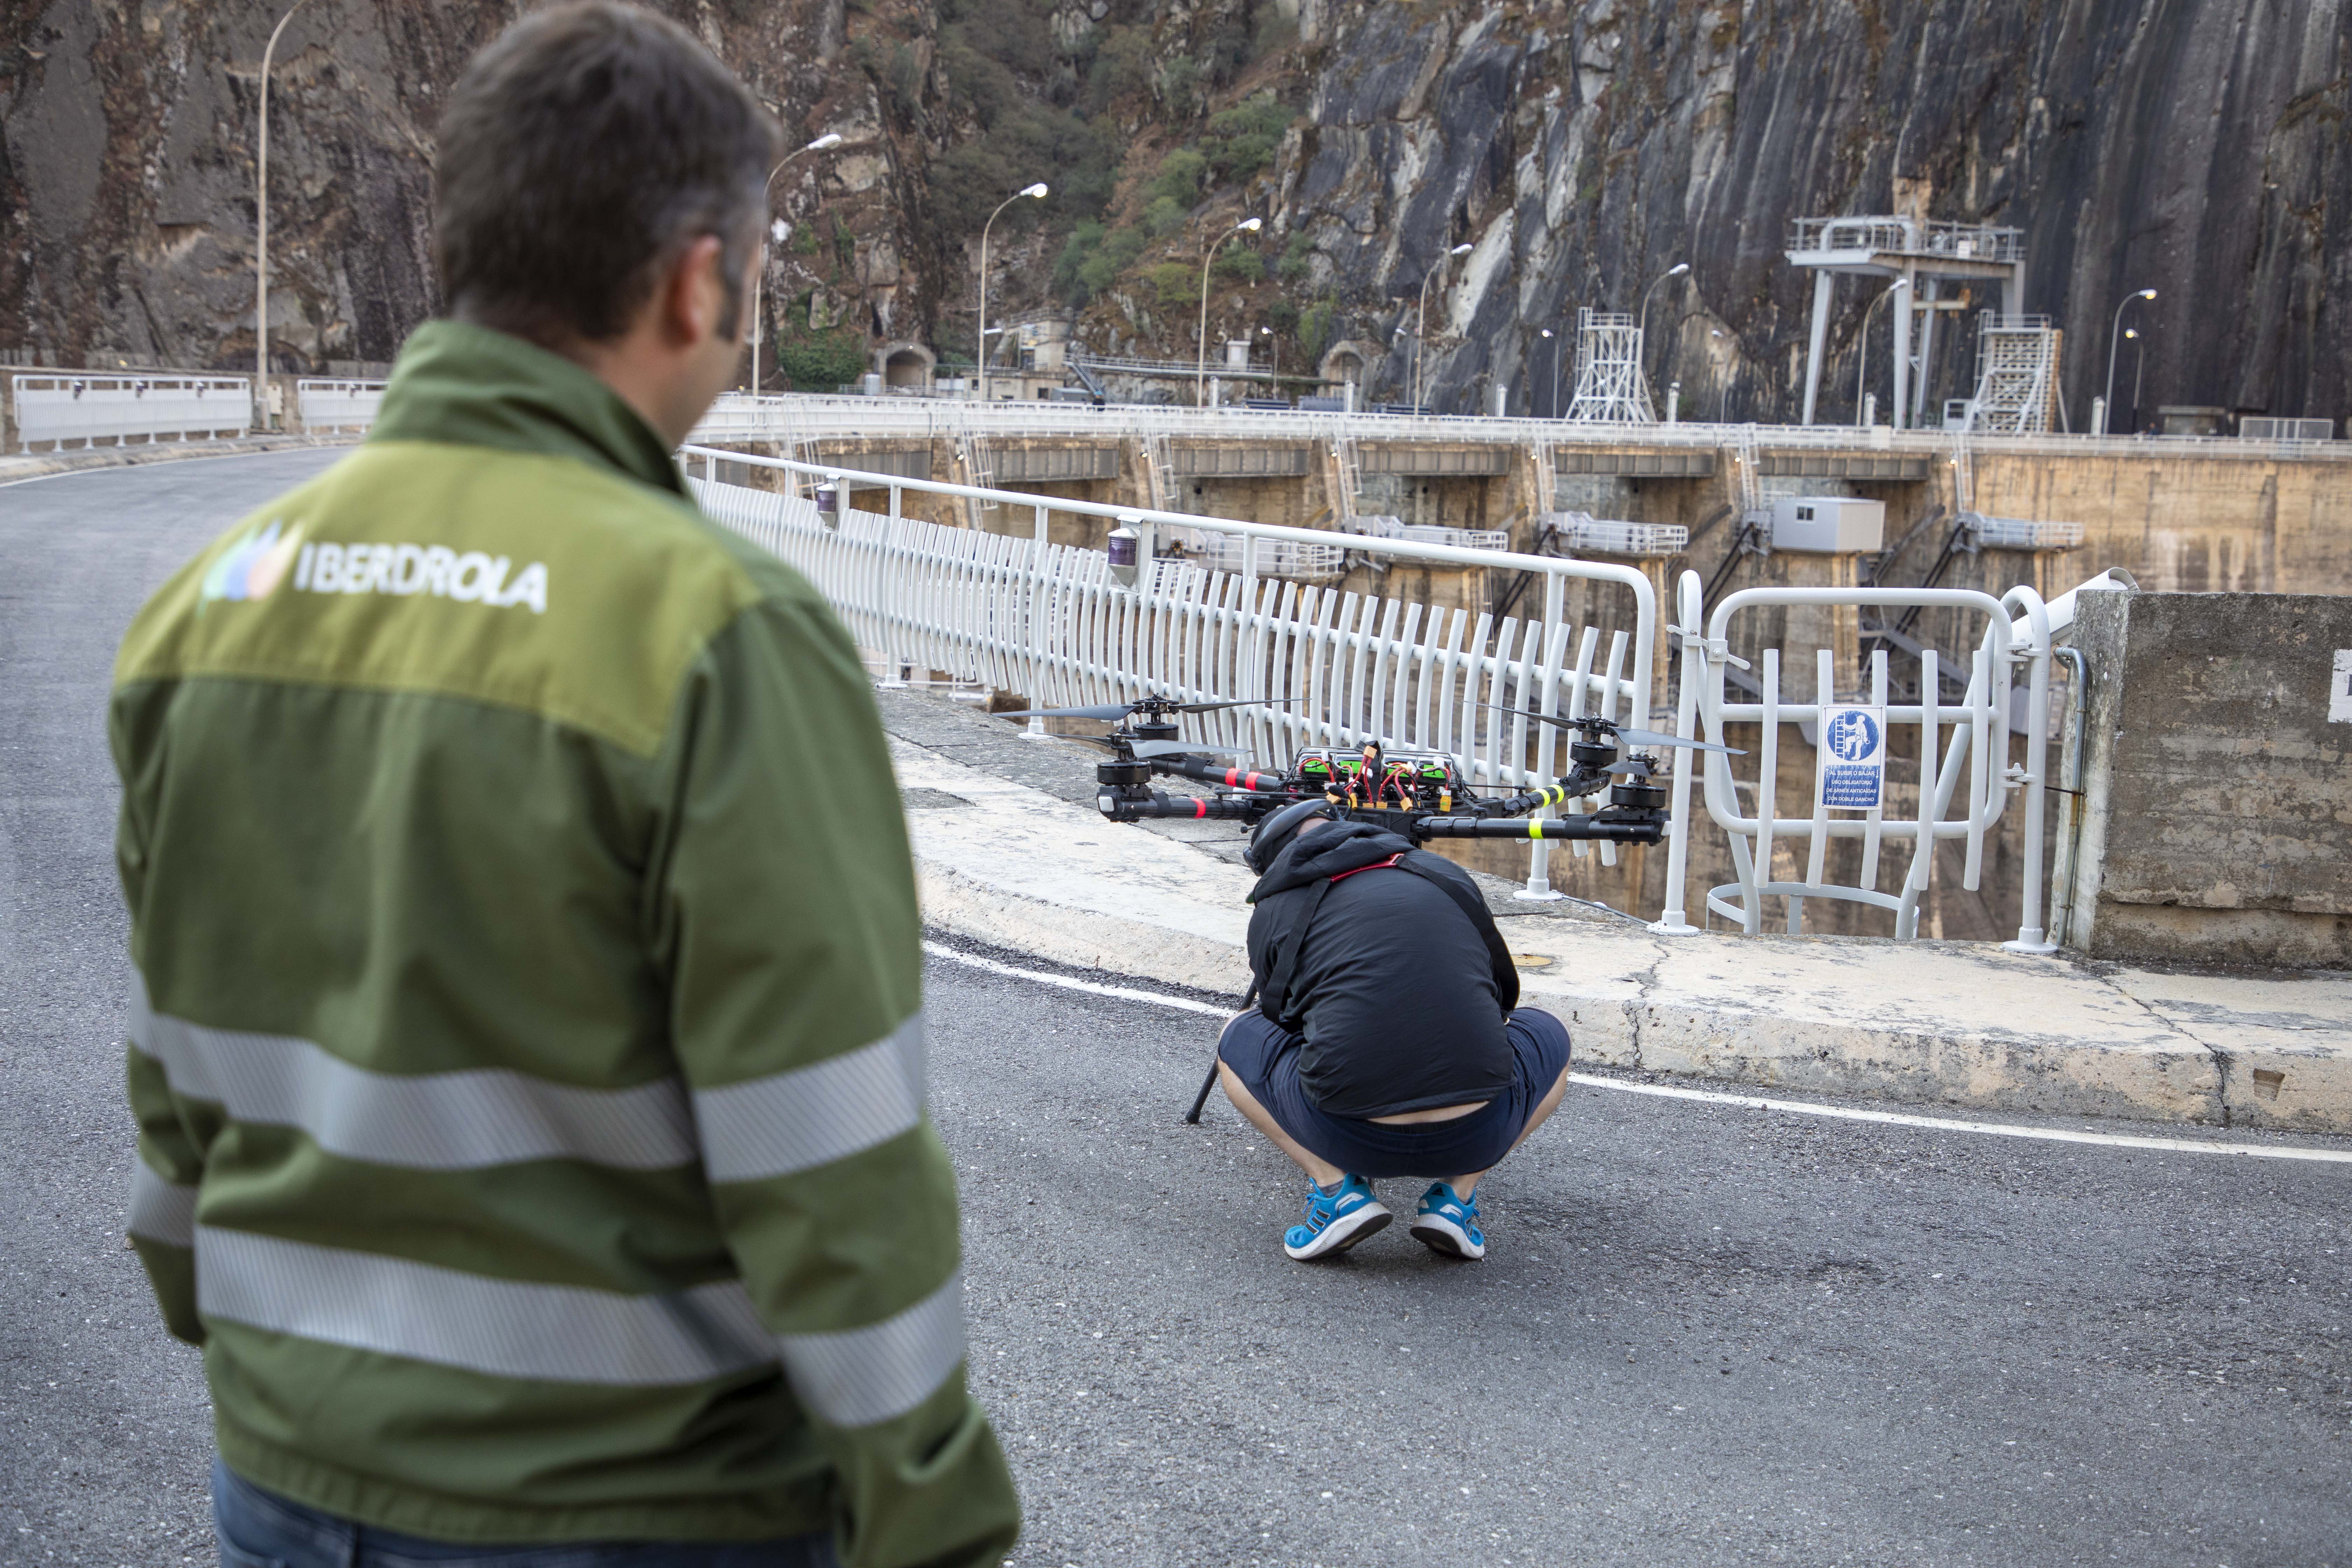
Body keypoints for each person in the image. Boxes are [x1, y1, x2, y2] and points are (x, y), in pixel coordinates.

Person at [109, 7, 1018, 1565]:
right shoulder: (716, 632)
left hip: (286, 1470)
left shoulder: (215, 603)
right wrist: (929, 1503)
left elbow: (180, 1071)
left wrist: (269, 1344)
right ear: (696, 282)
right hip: (627, 1508)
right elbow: (827, 1156)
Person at [1214, 800, 1573, 1263]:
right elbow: (1505, 994)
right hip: (1478, 1130)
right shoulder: (1442, 873)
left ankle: (1336, 1192)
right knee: (1549, 1033)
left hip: (1345, 1132)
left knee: (1237, 1036)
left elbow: (1278, 1016)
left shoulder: (1277, 905)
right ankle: (1456, 1201)